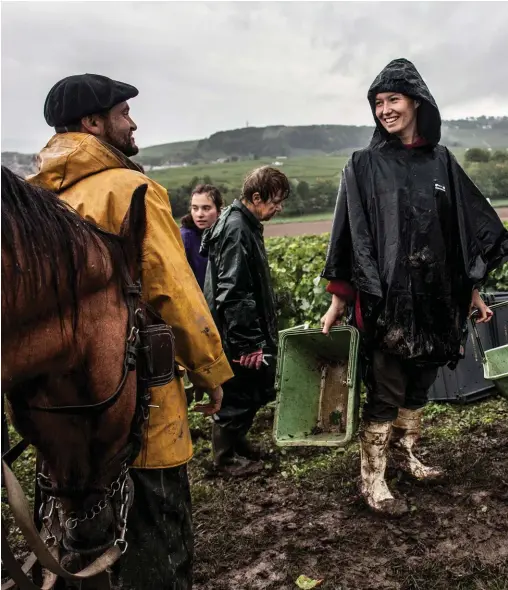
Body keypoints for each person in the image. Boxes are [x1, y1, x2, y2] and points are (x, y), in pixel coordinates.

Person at [29, 73, 234, 589]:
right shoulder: (132, 190)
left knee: (80, 545)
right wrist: (211, 370)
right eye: (123, 113)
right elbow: (174, 293)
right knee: (157, 552)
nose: (133, 121)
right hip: (138, 407)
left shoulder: (36, 203)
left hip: (61, 420)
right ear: (93, 124)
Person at [320, 58, 508, 517]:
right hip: (387, 303)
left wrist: (472, 292)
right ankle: (373, 479)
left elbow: (463, 233)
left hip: (437, 300)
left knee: (420, 385)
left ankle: (406, 456)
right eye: (378, 103)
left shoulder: (441, 161)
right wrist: (338, 301)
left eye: (393, 99)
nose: (385, 110)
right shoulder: (362, 165)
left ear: (417, 103)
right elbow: (349, 233)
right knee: (385, 390)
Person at [202, 166, 290, 476]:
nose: (278, 208)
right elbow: (234, 290)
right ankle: (224, 459)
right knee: (239, 390)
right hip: (235, 331)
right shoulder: (237, 227)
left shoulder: (243, 221)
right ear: (256, 197)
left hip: (239, 328)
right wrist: (247, 342)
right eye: (275, 201)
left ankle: (237, 444)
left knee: (251, 388)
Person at [180, 184, 224, 290]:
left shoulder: (225, 235)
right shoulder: (184, 238)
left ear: (219, 211)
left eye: (206, 208)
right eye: (195, 208)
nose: (199, 214)